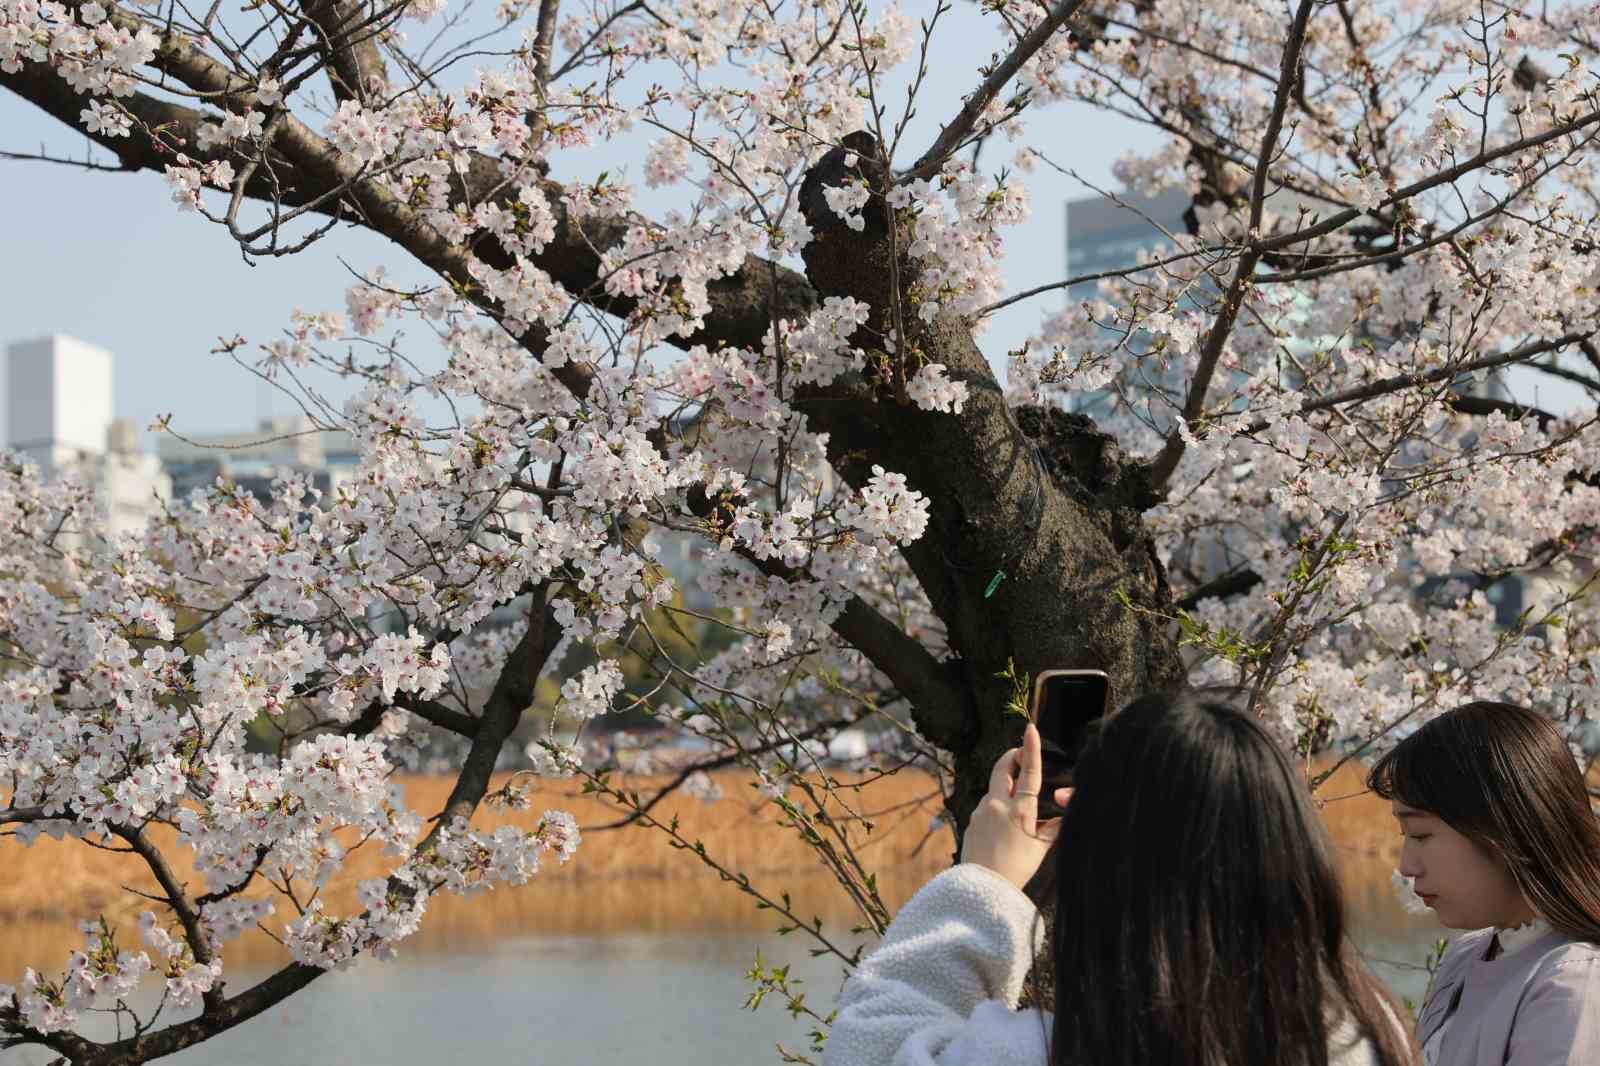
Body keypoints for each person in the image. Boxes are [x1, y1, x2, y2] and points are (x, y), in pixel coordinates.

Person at [825, 689, 1415, 1066]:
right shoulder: (1363, 1034)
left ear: (1103, 874)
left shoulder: (1038, 1054)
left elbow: (868, 1046)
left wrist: (984, 884)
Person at [1367, 700, 1600, 1065]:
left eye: (1420, 834)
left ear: (1500, 829)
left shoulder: (1573, 985)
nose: (1407, 866)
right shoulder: (1465, 957)